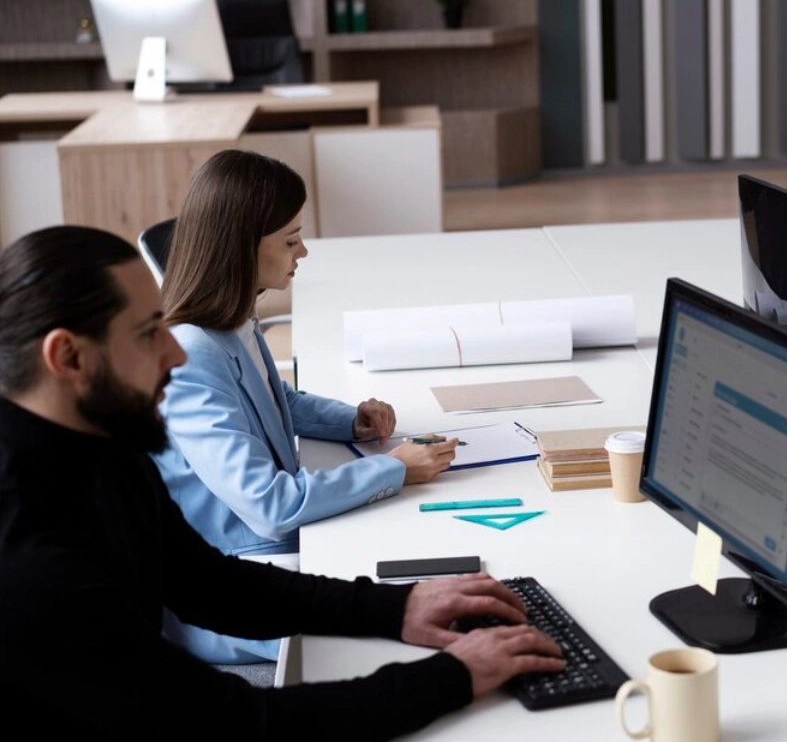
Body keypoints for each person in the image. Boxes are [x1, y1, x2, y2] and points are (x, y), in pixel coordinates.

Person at [0, 225, 563, 739]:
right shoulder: (32, 565)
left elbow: (207, 583)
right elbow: (242, 724)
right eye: (150, 333)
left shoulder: (99, 444)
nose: (176, 352)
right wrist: (456, 675)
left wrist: (398, 608)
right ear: (68, 356)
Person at [152, 149, 461, 664]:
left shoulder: (231, 321)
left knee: (427, 568)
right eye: (290, 240)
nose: (305, 252)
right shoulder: (192, 356)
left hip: (275, 556)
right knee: (420, 603)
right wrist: (392, 469)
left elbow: (280, 400)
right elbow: (270, 507)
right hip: (236, 588)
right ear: (240, 248)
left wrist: (351, 421)